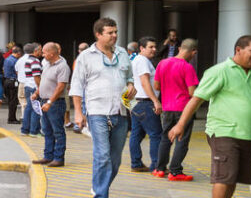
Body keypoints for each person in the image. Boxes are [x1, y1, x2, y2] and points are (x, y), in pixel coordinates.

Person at [169, 35, 251, 198]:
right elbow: (197, 99)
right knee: (224, 177)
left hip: (247, 135)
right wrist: (180, 124)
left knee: (232, 178)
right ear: (238, 50)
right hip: (223, 132)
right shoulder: (219, 71)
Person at [70, 18, 135, 198]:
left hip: (120, 112)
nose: (115, 35)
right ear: (98, 34)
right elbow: (76, 86)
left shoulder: (122, 53)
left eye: (116, 32)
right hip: (97, 112)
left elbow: (130, 77)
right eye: (110, 33)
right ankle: (100, 194)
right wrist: (78, 112)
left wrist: (130, 85)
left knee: (115, 160)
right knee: (103, 156)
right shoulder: (85, 57)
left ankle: (98, 184)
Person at [153, 38, 199, 181]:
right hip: (184, 109)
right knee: (181, 140)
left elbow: (156, 86)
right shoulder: (188, 67)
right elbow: (192, 92)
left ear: (179, 48)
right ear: (193, 52)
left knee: (166, 138)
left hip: (167, 107)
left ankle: (160, 169)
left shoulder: (163, 63)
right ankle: (175, 171)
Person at [31, 42, 71, 168]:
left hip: (55, 103)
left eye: (44, 52)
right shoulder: (47, 64)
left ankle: (59, 158)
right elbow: (44, 81)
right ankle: (48, 156)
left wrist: (50, 102)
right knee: (47, 130)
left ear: (51, 53)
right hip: (44, 101)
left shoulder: (62, 66)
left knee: (57, 131)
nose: (42, 55)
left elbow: (60, 87)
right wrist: (37, 92)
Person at [129, 36, 162, 173]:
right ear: (142, 48)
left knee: (136, 134)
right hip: (145, 103)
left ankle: (136, 163)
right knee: (156, 135)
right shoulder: (142, 61)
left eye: (155, 47)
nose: (154, 49)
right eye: (151, 47)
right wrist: (155, 100)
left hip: (136, 102)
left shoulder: (137, 60)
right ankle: (156, 165)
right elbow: (145, 82)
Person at [4, 45, 21, 124]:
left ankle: (11, 118)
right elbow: (17, 72)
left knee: (10, 100)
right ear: (18, 53)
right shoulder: (15, 61)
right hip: (13, 81)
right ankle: (11, 119)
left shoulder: (7, 59)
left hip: (7, 80)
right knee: (13, 101)